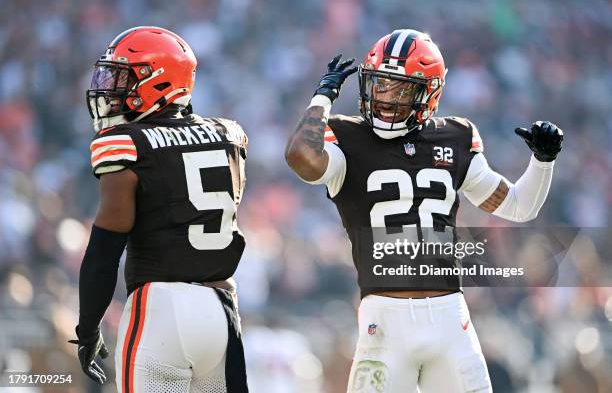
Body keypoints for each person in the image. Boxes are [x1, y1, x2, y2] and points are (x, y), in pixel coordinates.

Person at [285, 29, 563, 392]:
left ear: (429, 92)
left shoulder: (455, 137)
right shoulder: (347, 137)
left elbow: (517, 206)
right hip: (384, 320)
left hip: (449, 317)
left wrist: (542, 161)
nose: (385, 98)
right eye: (380, 84)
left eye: (400, 89)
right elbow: (300, 157)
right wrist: (322, 97)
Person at [69, 26, 249, 393]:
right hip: (221, 309)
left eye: (122, 78)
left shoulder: (126, 143)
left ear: (159, 81)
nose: (112, 90)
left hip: (161, 310)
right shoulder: (229, 134)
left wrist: (88, 327)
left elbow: (104, 253)